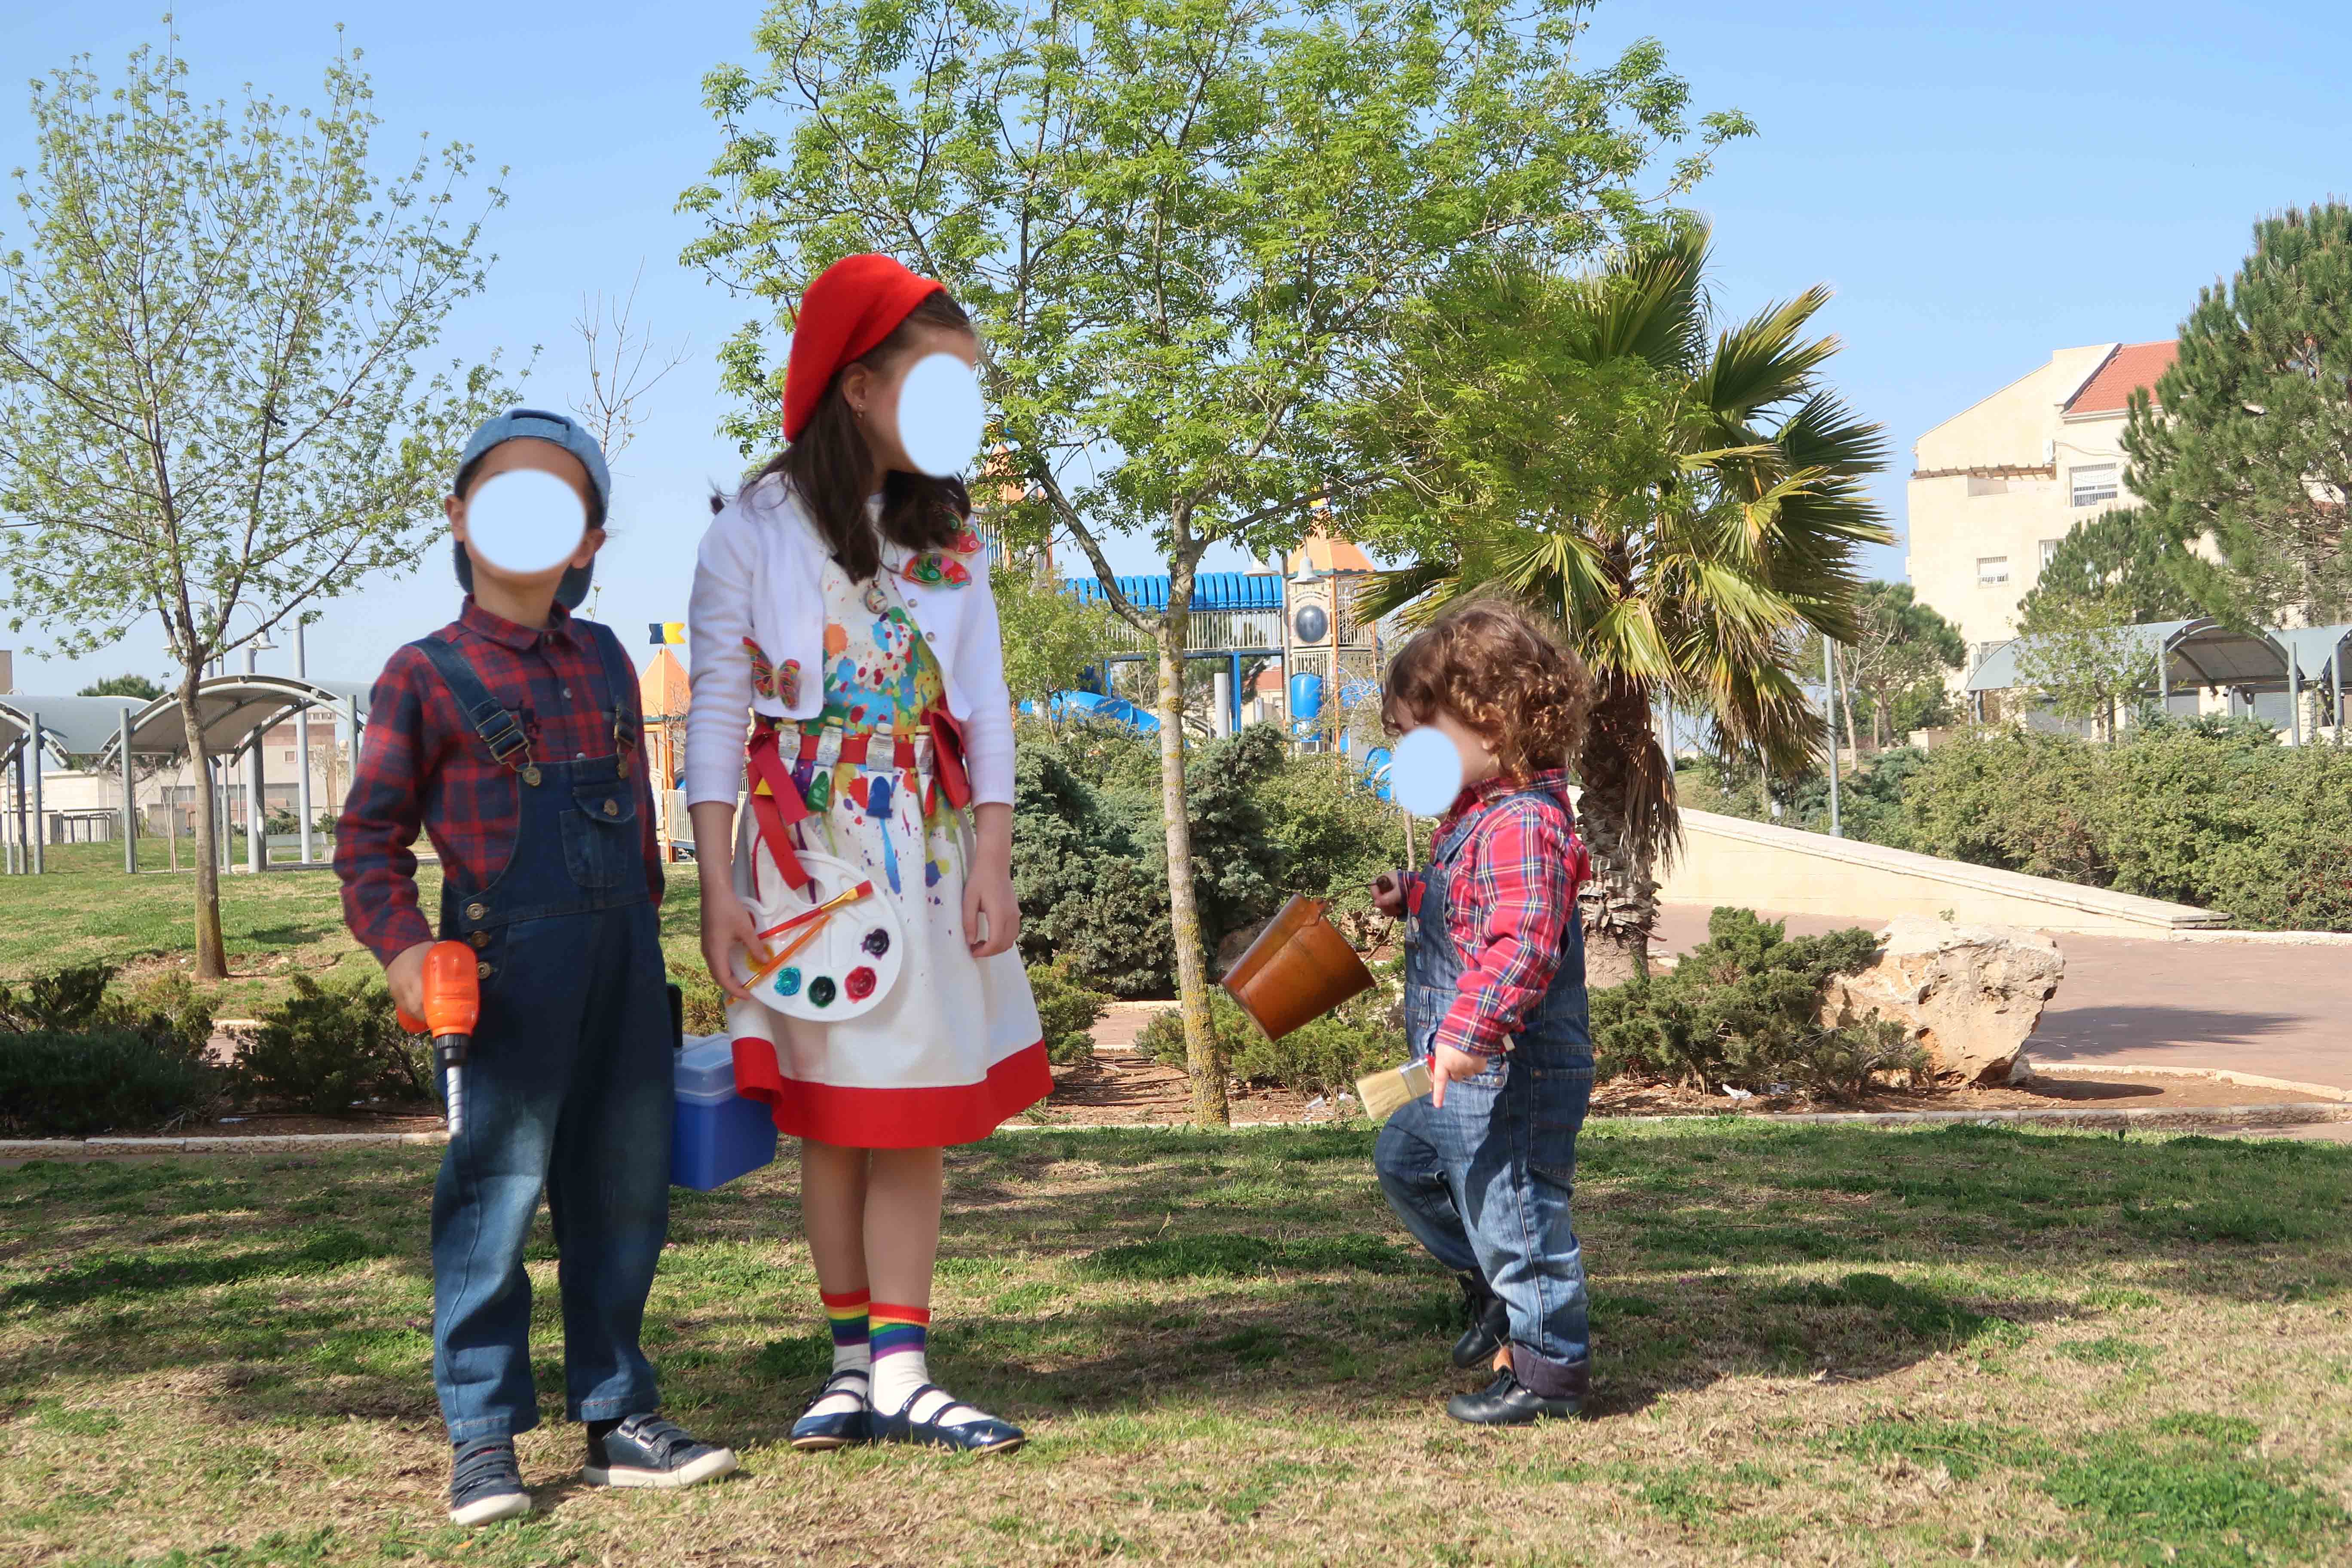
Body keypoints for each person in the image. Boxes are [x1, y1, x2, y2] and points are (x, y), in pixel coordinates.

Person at [337, 409, 737, 1526]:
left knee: (622, 1196)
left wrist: (653, 946)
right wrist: (405, 949)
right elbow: (367, 842)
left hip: (623, 969)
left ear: (590, 540)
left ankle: (619, 1416)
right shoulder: (422, 675)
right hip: (502, 987)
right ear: (460, 518)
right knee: (493, 1205)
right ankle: (483, 1438)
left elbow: (639, 828)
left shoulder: (607, 660)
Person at [685, 254, 1045, 1455]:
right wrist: (717, 886)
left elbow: (985, 705)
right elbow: (716, 715)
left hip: (926, 849)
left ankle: (903, 1367)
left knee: (910, 1108)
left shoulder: (952, 539)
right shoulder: (752, 532)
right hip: (805, 858)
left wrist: (991, 856)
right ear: (856, 386)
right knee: (835, 1113)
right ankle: (853, 1365)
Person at [1368, 598, 1598, 1424]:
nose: (1409, 756)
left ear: (1492, 725)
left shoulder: (1524, 824)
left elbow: (1522, 942)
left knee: (1520, 1215)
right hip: (1462, 1073)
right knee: (1407, 1160)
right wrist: (1416, 895)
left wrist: (1470, 1032)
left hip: (1508, 1071)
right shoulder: (1479, 818)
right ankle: (1495, 1288)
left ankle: (1548, 1372)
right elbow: (1476, 907)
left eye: (1420, 736)